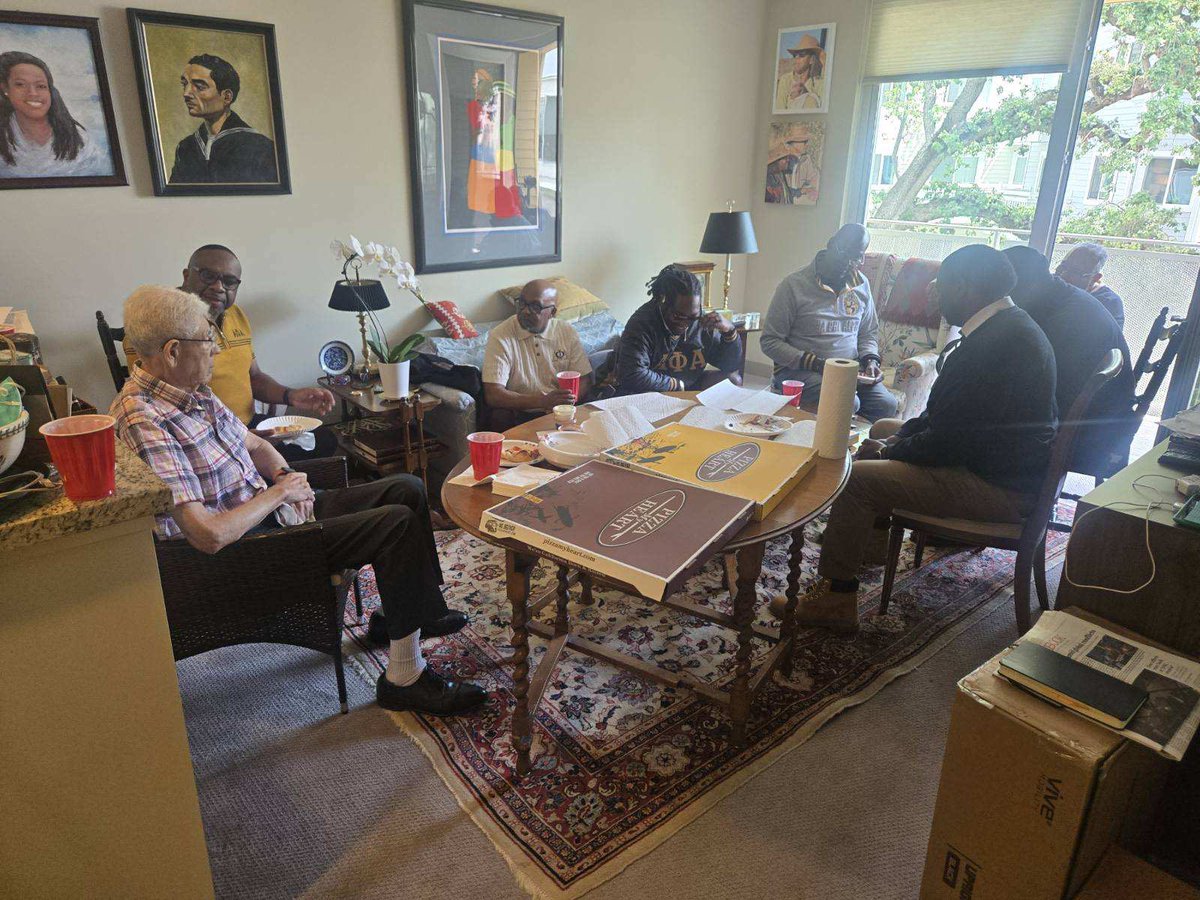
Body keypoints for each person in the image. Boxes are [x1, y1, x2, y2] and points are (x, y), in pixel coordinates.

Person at [112, 286, 482, 715]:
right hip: (245, 552)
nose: (215, 350)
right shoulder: (145, 418)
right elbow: (208, 535)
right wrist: (278, 495)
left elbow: (254, 445)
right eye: (207, 340)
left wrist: (288, 477)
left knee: (406, 487)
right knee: (395, 522)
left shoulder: (192, 392)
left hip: (274, 514)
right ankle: (405, 677)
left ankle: (411, 614)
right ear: (173, 351)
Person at [770, 245, 1058, 633]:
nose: (933, 295)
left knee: (856, 478)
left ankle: (836, 598)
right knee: (885, 426)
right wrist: (895, 439)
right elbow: (945, 419)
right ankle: (869, 549)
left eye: (941, 286)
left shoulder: (992, 347)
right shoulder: (1010, 326)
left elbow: (946, 442)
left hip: (999, 488)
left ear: (968, 289)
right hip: (1002, 465)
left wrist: (891, 451)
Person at [123, 244, 337, 461]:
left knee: (325, 439)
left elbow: (254, 377)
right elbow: (157, 399)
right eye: (208, 276)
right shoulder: (160, 322)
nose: (218, 287)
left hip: (247, 427)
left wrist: (290, 396)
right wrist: (233, 439)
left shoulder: (236, 315)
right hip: (201, 439)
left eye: (229, 281)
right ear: (187, 276)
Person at [1004, 246, 1136, 476]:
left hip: (1090, 433)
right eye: (1062, 267)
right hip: (1094, 416)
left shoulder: (1067, 316)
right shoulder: (1068, 299)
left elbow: (1039, 381)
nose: (1064, 274)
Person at [761, 223, 898, 422]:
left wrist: (870, 361)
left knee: (886, 405)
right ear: (831, 245)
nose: (853, 263)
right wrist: (816, 364)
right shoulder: (793, 286)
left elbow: (868, 333)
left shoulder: (861, 285)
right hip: (802, 372)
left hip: (850, 371)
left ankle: (850, 444)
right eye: (847, 254)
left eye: (859, 256)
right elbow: (770, 341)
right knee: (849, 402)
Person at [611, 264, 742, 395]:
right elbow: (633, 374)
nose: (685, 323)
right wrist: (676, 385)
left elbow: (730, 366)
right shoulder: (642, 323)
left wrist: (729, 331)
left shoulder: (701, 320)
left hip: (689, 383)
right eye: (678, 316)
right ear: (663, 302)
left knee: (733, 380)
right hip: (652, 390)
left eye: (692, 317)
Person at [481, 279, 591, 428]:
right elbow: (494, 395)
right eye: (522, 303)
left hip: (562, 411)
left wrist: (567, 402)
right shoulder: (500, 336)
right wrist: (543, 401)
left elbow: (583, 378)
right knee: (499, 415)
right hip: (522, 412)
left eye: (535, 306)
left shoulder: (566, 331)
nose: (525, 310)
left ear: (552, 312)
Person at [171, 54, 278, 184]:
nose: (186, 93)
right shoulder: (186, 148)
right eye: (185, 84)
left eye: (199, 87)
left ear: (226, 97)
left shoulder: (260, 148)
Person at [0, 51, 110, 178]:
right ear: (5, 89)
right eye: (20, 84)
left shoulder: (80, 140)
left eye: (41, 86)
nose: (33, 93)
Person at [1055, 243, 1125, 330]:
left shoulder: (1109, 303)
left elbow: (1109, 341)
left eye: (1075, 271)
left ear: (1095, 278)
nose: (1063, 274)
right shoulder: (1050, 284)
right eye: (1063, 266)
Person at [774, 34, 826, 111]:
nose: (797, 58)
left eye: (801, 55)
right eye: (795, 55)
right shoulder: (786, 80)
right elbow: (779, 110)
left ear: (811, 59)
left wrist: (806, 94)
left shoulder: (817, 83)